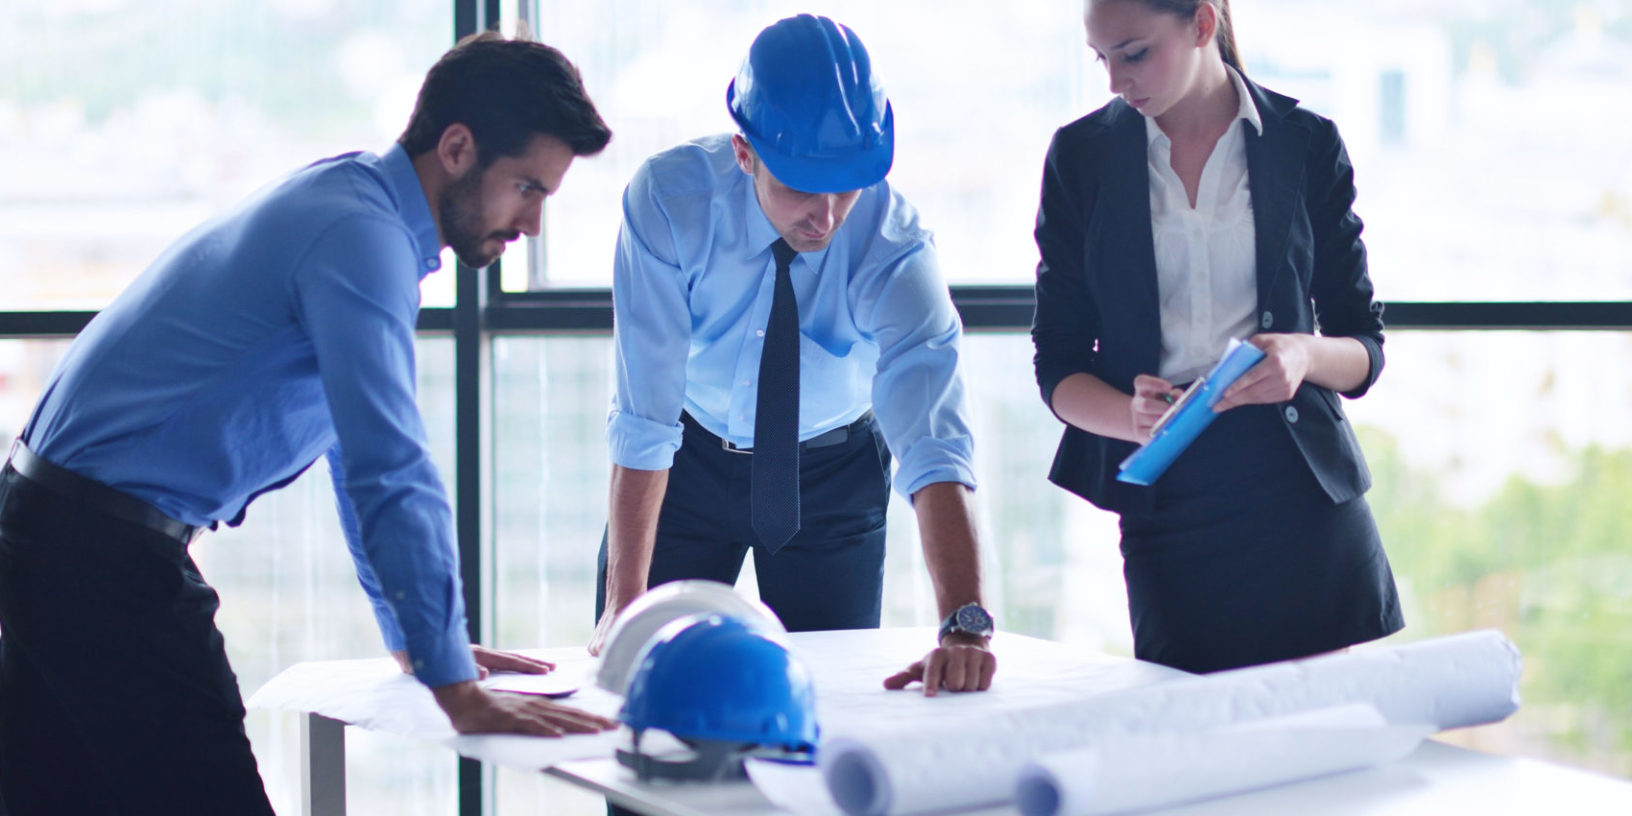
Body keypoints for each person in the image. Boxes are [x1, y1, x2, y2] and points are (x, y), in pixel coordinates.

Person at [0, 32, 618, 816]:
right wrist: (457, 690)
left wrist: (418, 643)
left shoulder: (353, 205)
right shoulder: (360, 237)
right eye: (526, 187)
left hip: (53, 527)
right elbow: (391, 469)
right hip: (96, 553)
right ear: (458, 148)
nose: (532, 223)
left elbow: (352, 463)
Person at [592, 14, 997, 697]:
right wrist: (624, 606)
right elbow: (645, 415)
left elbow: (935, 445)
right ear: (744, 153)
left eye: (847, 184)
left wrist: (965, 625)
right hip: (685, 465)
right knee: (642, 686)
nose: (827, 215)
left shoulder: (894, 248)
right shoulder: (670, 202)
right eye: (802, 186)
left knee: (830, 705)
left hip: (832, 474)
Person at [1031, 0, 1403, 674]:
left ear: (1202, 24)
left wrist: (1301, 354)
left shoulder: (1305, 142)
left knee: (1321, 725)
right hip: (1168, 497)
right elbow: (1057, 363)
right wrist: (1129, 416)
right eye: (1101, 57)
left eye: (1134, 53)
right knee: (1188, 719)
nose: (1114, 79)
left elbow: (1364, 349)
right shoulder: (1081, 157)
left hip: (1299, 488)